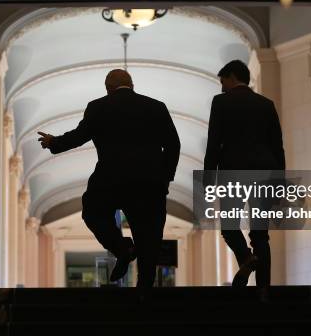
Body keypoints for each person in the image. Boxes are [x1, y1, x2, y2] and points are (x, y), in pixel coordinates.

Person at [38, 69, 181, 288]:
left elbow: (78, 137)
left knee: (93, 212)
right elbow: (173, 145)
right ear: (132, 85)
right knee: (149, 235)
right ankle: (144, 291)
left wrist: (53, 142)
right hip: (149, 183)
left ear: (108, 89)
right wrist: (165, 179)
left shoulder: (98, 107)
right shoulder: (156, 106)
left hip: (110, 181)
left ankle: (123, 248)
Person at [204, 60, 285, 290]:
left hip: (234, 172)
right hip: (265, 172)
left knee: (229, 227)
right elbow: (277, 146)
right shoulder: (266, 105)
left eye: (223, 81)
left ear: (231, 76)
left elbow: (214, 142)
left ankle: (247, 259)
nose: (221, 87)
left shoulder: (221, 102)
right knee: (261, 235)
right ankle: (264, 290)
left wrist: (208, 178)